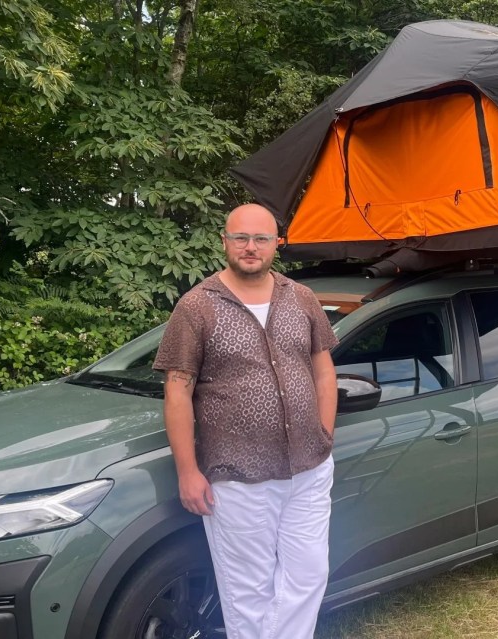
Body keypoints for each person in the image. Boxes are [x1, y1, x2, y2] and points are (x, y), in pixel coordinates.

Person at [153, 203, 338, 639]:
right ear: (224, 242)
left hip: (309, 470)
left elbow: (323, 369)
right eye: (241, 238)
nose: (250, 247)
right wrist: (187, 471)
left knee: (308, 575)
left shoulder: (302, 298)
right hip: (237, 476)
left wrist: (324, 434)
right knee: (246, 592)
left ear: (278, 243)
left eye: (261, 238)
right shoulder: (197, 306)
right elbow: (177, 389)